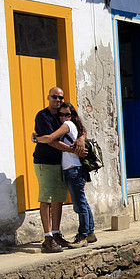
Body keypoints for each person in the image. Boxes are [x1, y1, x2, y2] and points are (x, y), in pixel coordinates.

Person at [35, 102, 96, 246]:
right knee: (82, 201)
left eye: (67, 114)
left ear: (72, 115)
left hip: (73, 169)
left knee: (79, 204)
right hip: (74, 169)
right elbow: (82, 131)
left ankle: (83, 235)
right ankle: (90, 233)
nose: (64, 117)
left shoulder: (67, 125)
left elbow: (50, 139)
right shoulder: (74, 126)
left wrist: (36, 139)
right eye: (61, 114)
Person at [33, 87, 85, 252]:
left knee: (58, 199)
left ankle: (56, 233)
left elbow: (81, 127)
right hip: (45, 162)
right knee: (46, 199)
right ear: (48, 97)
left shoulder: (63, 115)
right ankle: (47, 238)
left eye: (60, 97)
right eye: (54, 97)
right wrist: (73, 150)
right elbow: (51, 141)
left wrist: (81, 139)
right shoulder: (43, 116)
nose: (58, 100)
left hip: (60, 163)